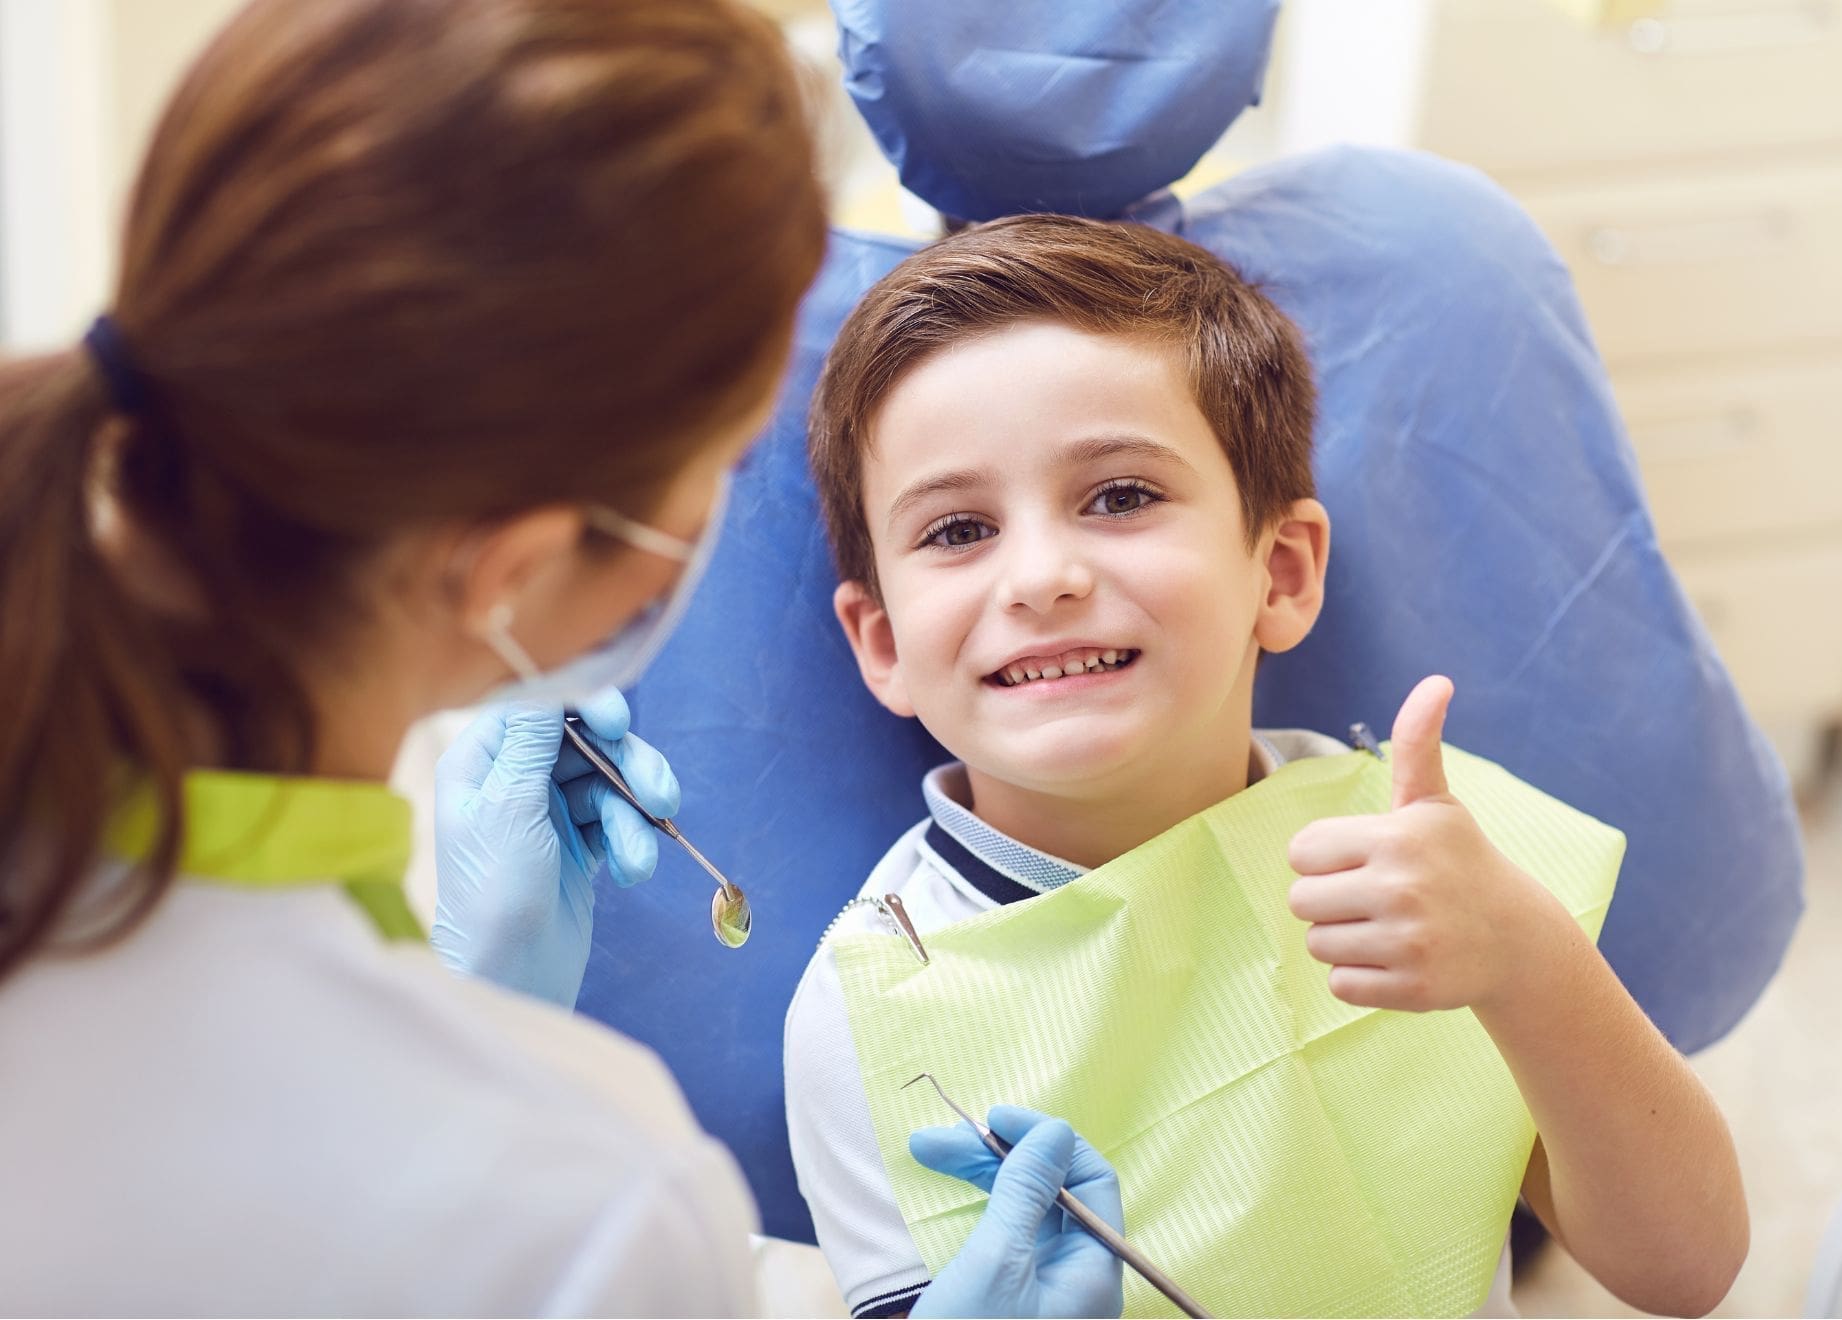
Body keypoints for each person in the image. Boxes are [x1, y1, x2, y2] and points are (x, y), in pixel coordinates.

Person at [0, 1, 1121, 1313]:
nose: (1043, 578)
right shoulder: (587, 1204)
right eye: (724, 465)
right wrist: (476, 1057)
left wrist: (456, 1008)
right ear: (513, 570)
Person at [786, 214, 1750, 1317]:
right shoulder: (870, 1015)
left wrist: (1530, 963)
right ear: (882, 644)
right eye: (957, 529)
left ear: (1281, 571)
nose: (1042, 575)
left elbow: (1689, 1269)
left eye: (1120, 496)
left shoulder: (1431, 861)